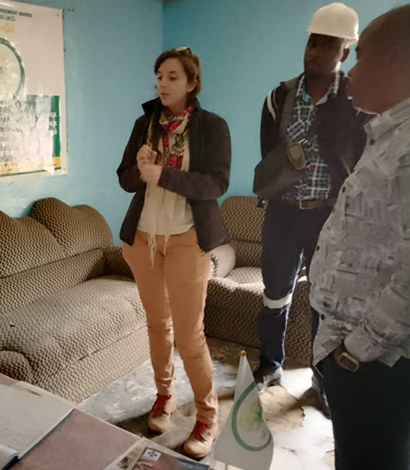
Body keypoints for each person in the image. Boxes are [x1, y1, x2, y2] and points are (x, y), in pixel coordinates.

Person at [253, 2, 368, 414]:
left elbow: (362, 157)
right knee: (274, 294)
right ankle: (271, 365)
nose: (314, 52)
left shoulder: (356, 100)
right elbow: (269, 156)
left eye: (326, 45)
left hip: (329, 216)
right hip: (283, 213)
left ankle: (321, 379)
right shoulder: (279, 97)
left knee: (324, 300)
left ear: (345, 52)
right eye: (312, 42)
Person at [117, 47, 231, 459]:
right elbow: (125, 179)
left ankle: (207, 416)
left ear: (192, 83)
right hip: (143, 238)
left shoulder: (212, 126)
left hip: (186, 239)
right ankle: (164, 397)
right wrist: (140, 167)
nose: (162, 84)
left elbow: (216, 184)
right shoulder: (145, 124)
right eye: (159, 77)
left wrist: (163, 174)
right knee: (157, 325)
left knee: (189, 334)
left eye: (172, 77)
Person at [310, 4, 410, 469]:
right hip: (353, 349)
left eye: (362, 55)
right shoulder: (390, 134)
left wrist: (356, 351)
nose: (349, 69)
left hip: (375, 362)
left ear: (399, 60)